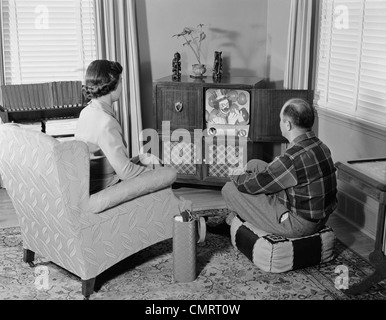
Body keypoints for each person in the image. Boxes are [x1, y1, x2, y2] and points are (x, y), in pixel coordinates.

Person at [212, 98, 338, 238]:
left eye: (280, 120)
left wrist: (234, 173)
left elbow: (248, 185)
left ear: (288, 125)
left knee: (229, 189)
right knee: (254, 164)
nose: (279, 123)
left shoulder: (291, 159)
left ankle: (235, 222)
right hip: (320, 217)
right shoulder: (321, 146)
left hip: (299, 225)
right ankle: (232, 220)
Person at [75, 59, 160, 194]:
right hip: (106, 185)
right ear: (111, 83)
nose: (122, 85)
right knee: (161, 172)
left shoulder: (86, 112)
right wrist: (156, 173)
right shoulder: (106, 122)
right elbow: (125, 173)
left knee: (149, 158)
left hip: (90, 181)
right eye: (120, 81)